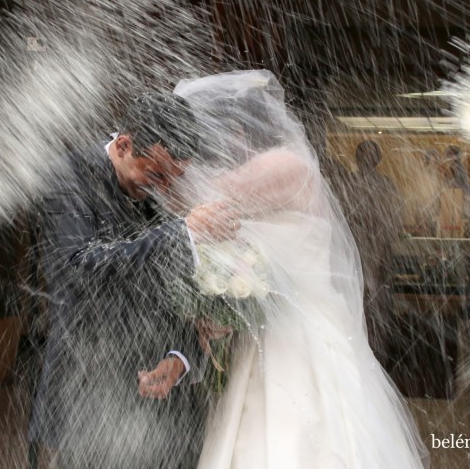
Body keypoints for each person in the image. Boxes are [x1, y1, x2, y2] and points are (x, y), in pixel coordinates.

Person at [170, 71, 428, 469]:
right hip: (287, 320)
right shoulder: (289, 164)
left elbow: (201, 195)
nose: (225, 146)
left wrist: (165, 166)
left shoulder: (283, 165)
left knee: (290, 418)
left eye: (227, 134)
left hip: (294, 327)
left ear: (243, 131)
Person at [28, 94, 239, 468]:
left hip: (162, 414)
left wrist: (180, 358)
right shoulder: (68, 177)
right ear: (124, 145)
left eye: (174, 178)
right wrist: (182, 234)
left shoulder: (158, 196)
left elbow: (176, 293)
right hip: (86, 396)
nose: (163, 187)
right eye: (156, 174)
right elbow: (80, 268)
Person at [345, 139, 403, 362]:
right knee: (356, 302)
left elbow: (396, 218)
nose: (367, 160)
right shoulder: (348, 182)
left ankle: (380, 354)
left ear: (378, 159)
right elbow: (342, 217)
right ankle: (358, 354)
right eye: (363, 155)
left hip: (380, 252)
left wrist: (379, 231)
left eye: (372, 155)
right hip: (355, 250)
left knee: (379, 305)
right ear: (358, 158)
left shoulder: (387, 186)